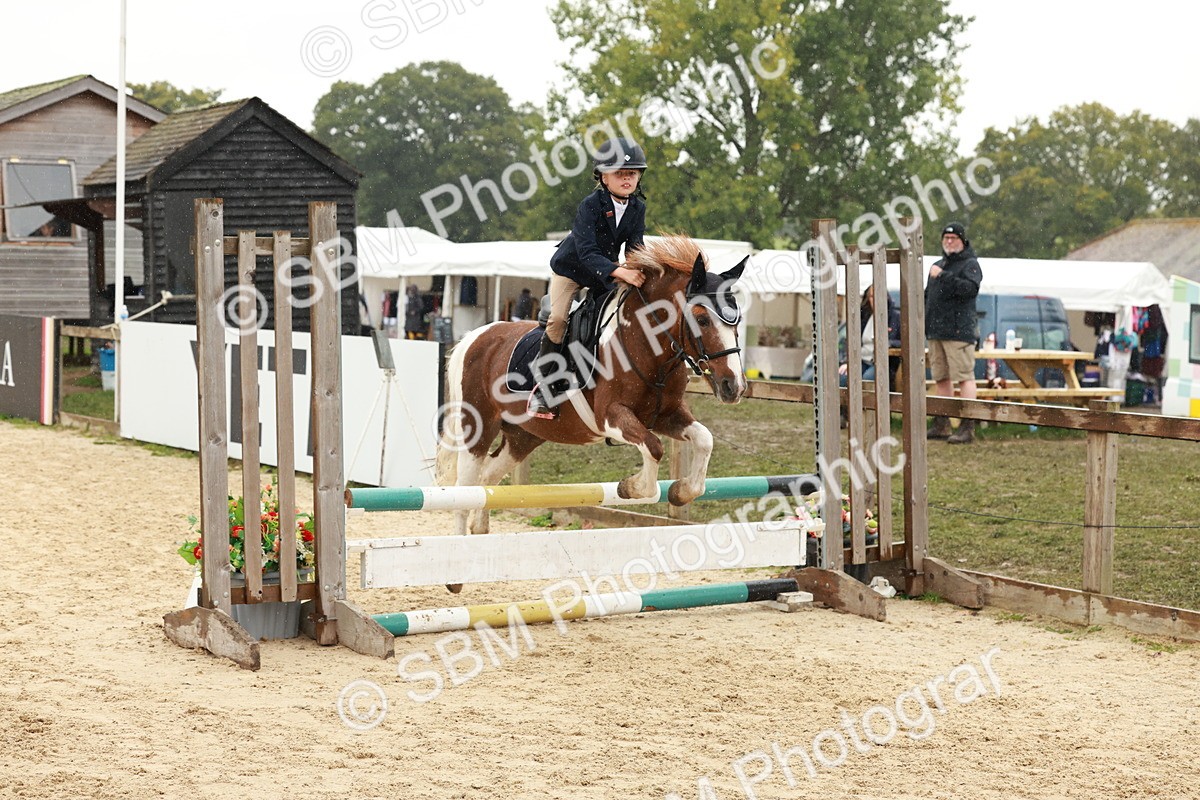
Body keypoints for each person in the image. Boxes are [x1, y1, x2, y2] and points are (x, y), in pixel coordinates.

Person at [529, 137, 649, 419]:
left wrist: (639, 269)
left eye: (632, 173)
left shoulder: (637, 208)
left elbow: (634, 247)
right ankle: (543, 388)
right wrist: (619, 271)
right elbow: (586, 251)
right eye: (620, 173)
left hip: (605, 272)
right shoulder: (590, 204)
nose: (627, 179)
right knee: (558, 319)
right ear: (603, 177)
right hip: (571, 269)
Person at [925, 221, 982, 444]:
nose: (949, 242)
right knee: (941, 378)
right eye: (946, 238)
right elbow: (928, 297)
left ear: (962, 241)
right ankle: (942, 423)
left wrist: (943, 276)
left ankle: (968, 425)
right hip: (936, 331)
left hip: (958, 331)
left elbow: (969, 289)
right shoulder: (938, 265)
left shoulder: (970, 264)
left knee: (964, 378)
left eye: (953, 238)